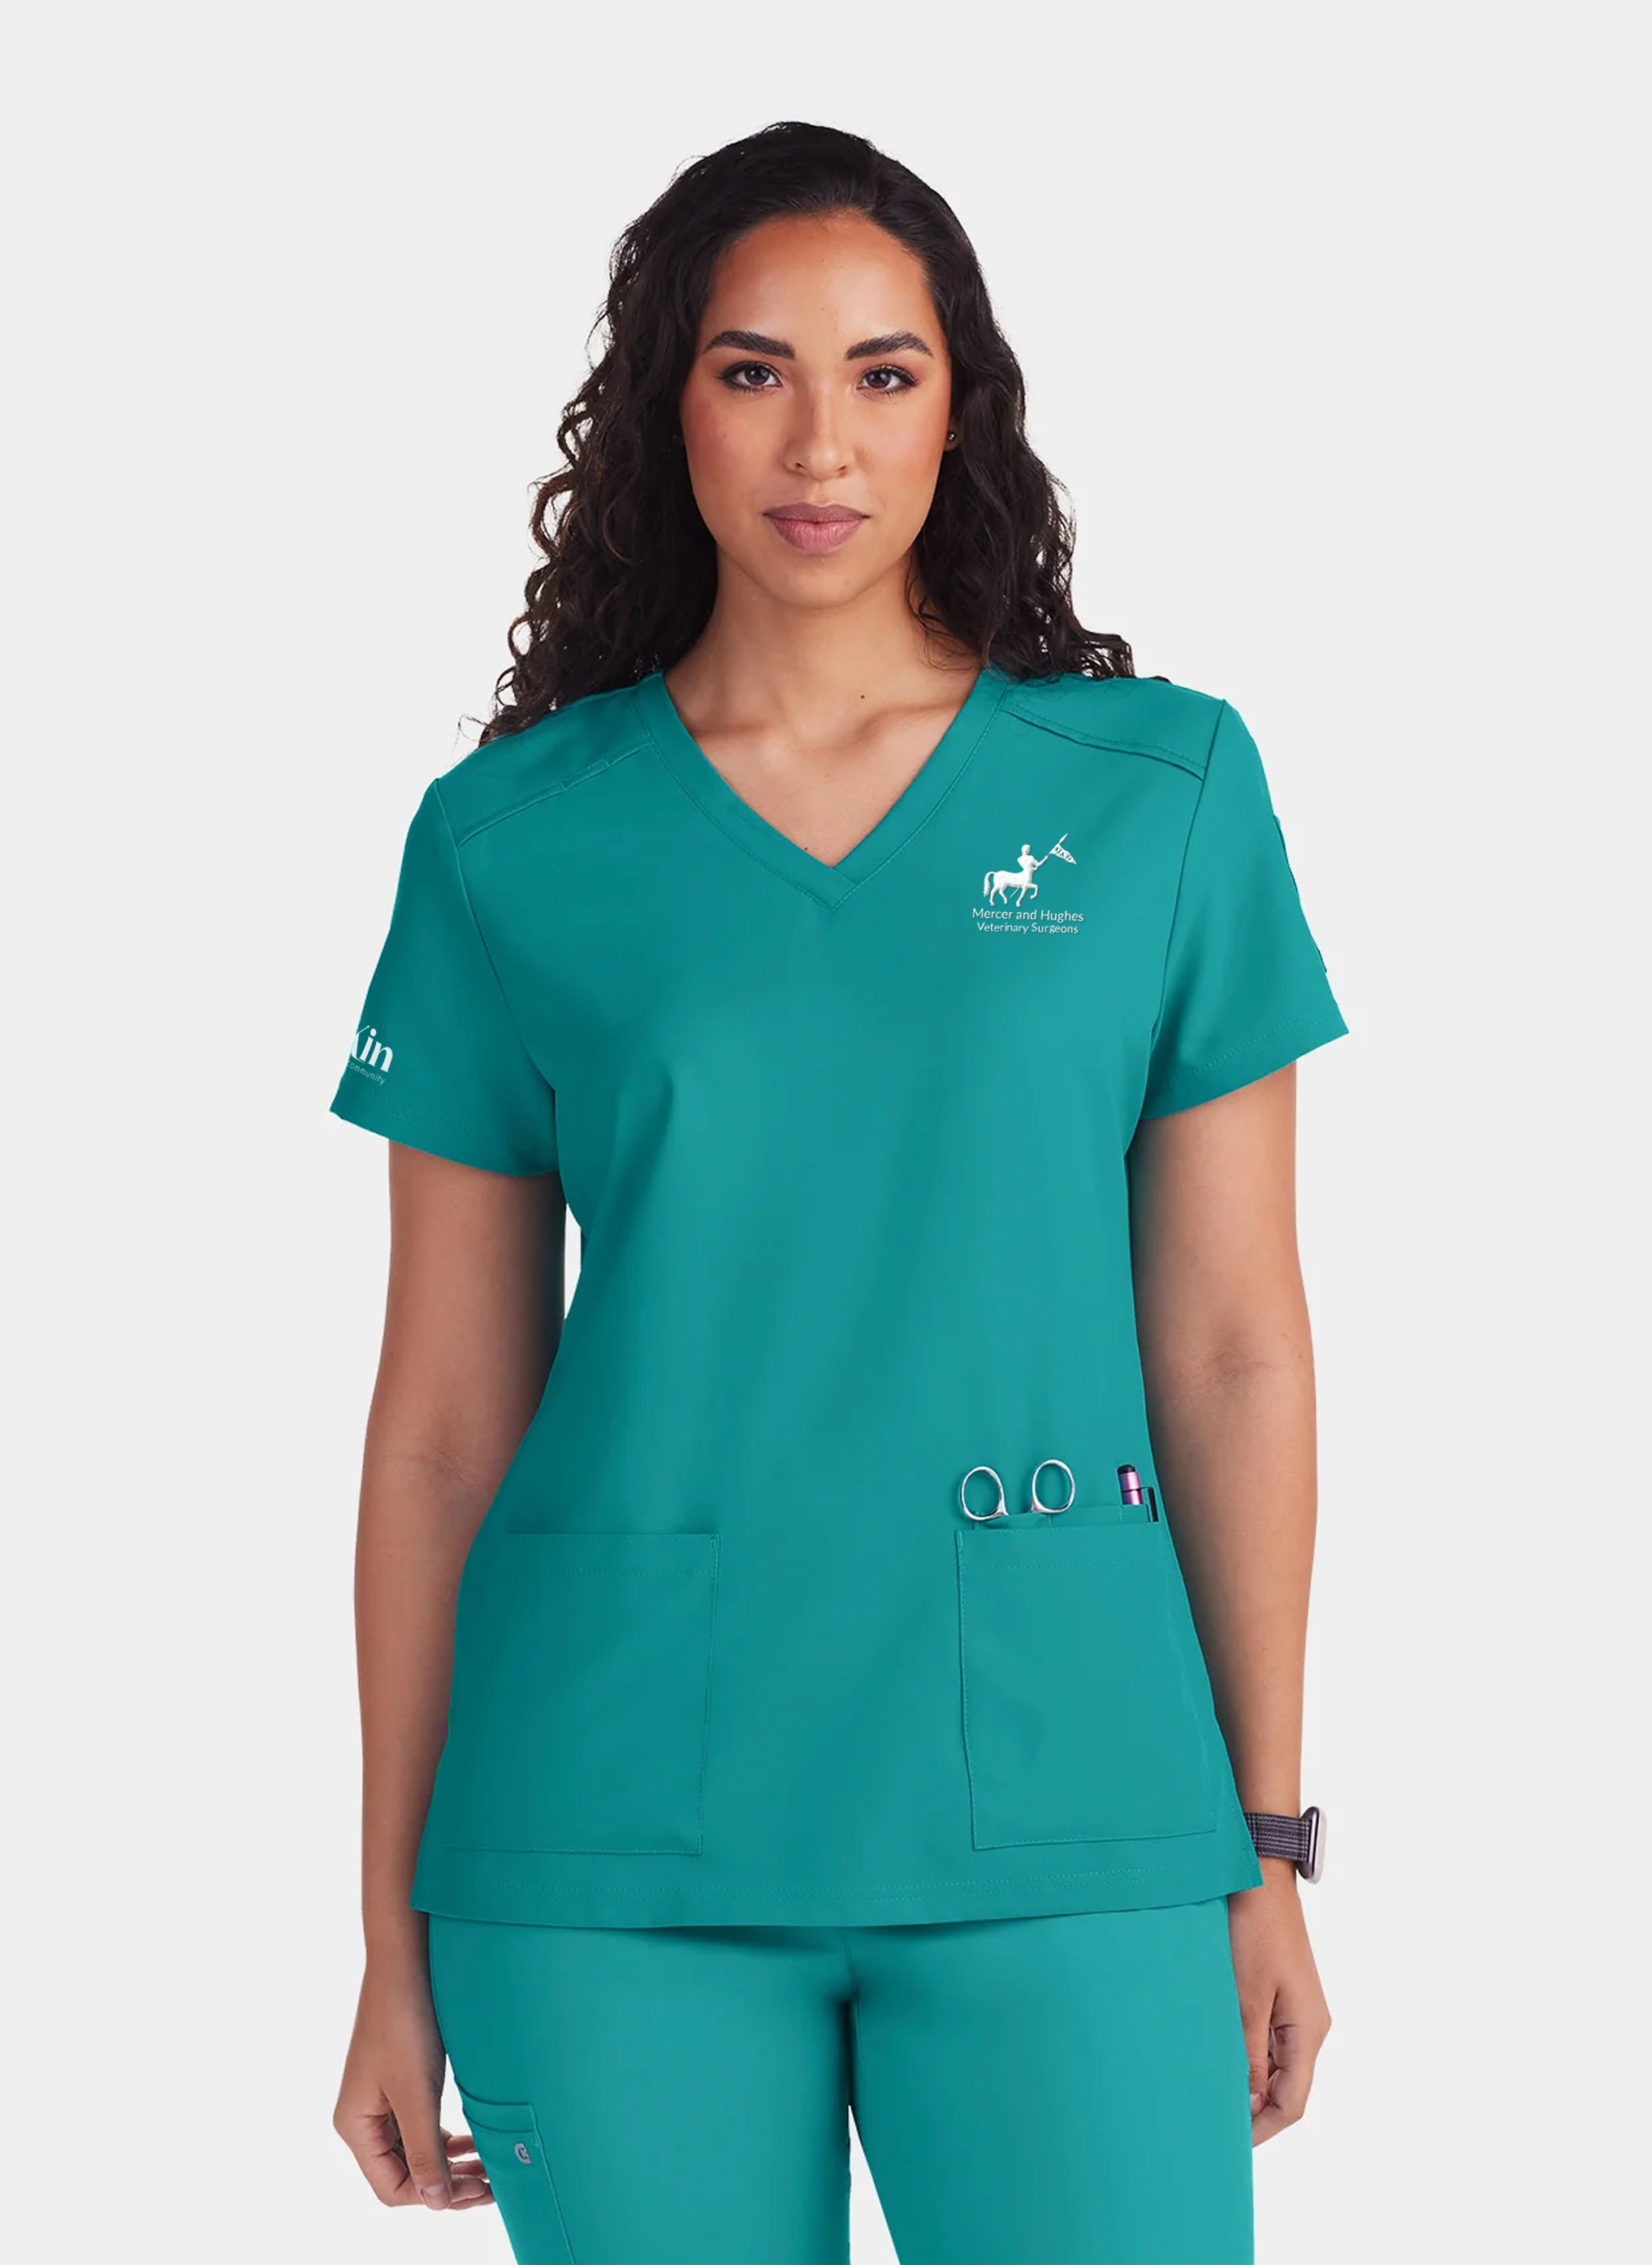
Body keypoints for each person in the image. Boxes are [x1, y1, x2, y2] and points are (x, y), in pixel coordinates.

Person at [328, 118, 1346, 2265]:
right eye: (752, 369)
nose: (822, 441)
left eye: (884, 372)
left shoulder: (1161, 794)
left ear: (961, 407)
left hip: (1077, 1803)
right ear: (666, 408)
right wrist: (387, 1936)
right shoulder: (509, 839)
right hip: (608, 1836)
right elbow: (440, 1428)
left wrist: (1264, 1838)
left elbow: (1234, 1346)